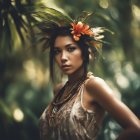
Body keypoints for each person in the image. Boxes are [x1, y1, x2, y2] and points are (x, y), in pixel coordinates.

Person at [38, 8, 140, 140]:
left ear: (87, 52)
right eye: (57, 51)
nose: (63, 57)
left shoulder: (93, 85)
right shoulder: (58, 90)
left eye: (70, 49)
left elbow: (136, 128)